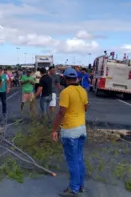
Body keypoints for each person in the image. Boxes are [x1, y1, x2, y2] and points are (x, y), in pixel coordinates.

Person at [51, 68, 88, 196]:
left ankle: (74, 189)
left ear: (65, 79)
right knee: (79, 159)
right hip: (82, 129)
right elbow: (86, 107)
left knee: (72, 161)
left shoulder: (65, 92)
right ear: (76, 78)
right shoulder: (83, 90)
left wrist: (54, 129)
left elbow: (61, 112)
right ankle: (81, 185)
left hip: (70, 131)